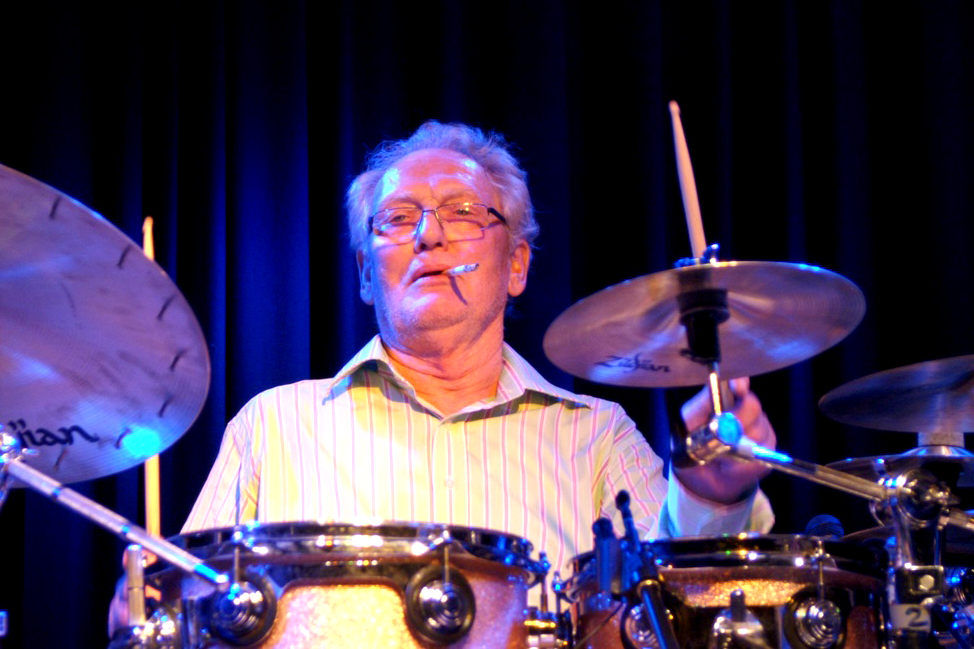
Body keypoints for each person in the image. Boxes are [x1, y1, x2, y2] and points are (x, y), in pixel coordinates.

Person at [110, 121, 775, 638]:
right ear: (366, 274)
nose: (429, 235)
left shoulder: (596, 435)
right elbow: (183, 610)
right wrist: (151, 613)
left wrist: (711, 496)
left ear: (516, 265)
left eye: (462, 213)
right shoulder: (273, 425)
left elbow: (674, 615)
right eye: (399, 219)